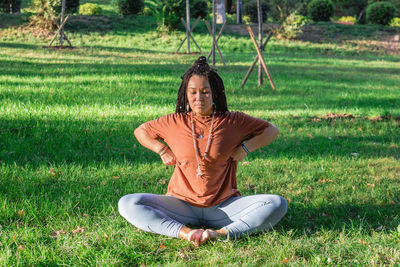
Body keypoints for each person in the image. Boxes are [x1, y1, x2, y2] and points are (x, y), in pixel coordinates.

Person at [118, 56, 287, 246]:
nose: (199, 98)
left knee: (277, 203)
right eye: (193, 92)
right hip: (181, 205)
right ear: (186, 94)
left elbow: (271, 130)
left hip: (223, 206)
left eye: (205, 92)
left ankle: (221, 234)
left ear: (214, 93)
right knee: (127, 203)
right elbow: (141, 131)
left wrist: (246, 148)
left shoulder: (233, 121)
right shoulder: (174, 121)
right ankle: (186, 233)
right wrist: (161, 149)